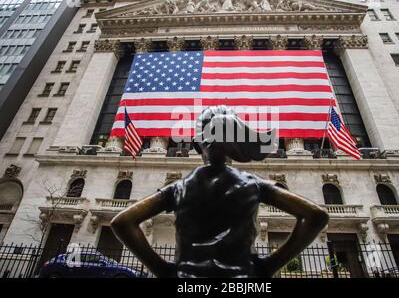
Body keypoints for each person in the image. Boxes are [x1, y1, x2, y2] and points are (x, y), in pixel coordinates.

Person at [111, 106, 329, 278]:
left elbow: (122, 222)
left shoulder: (180, 187)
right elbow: (316, 215)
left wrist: (161, 269)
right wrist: (269, 266)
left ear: (198, 145)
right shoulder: (253, 184)